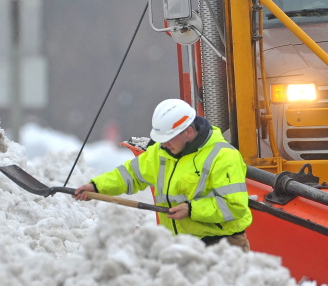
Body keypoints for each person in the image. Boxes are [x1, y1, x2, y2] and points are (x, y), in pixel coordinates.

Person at [75, 98, 253, 251]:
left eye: (168, 139)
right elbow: (130, 175)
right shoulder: (160, 152)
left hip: (222, 246)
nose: (164, 144)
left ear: (188, 132)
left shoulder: (223, 156)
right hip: (179, 246)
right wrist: (96, 186)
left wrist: (191, 209)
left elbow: (234, 206)